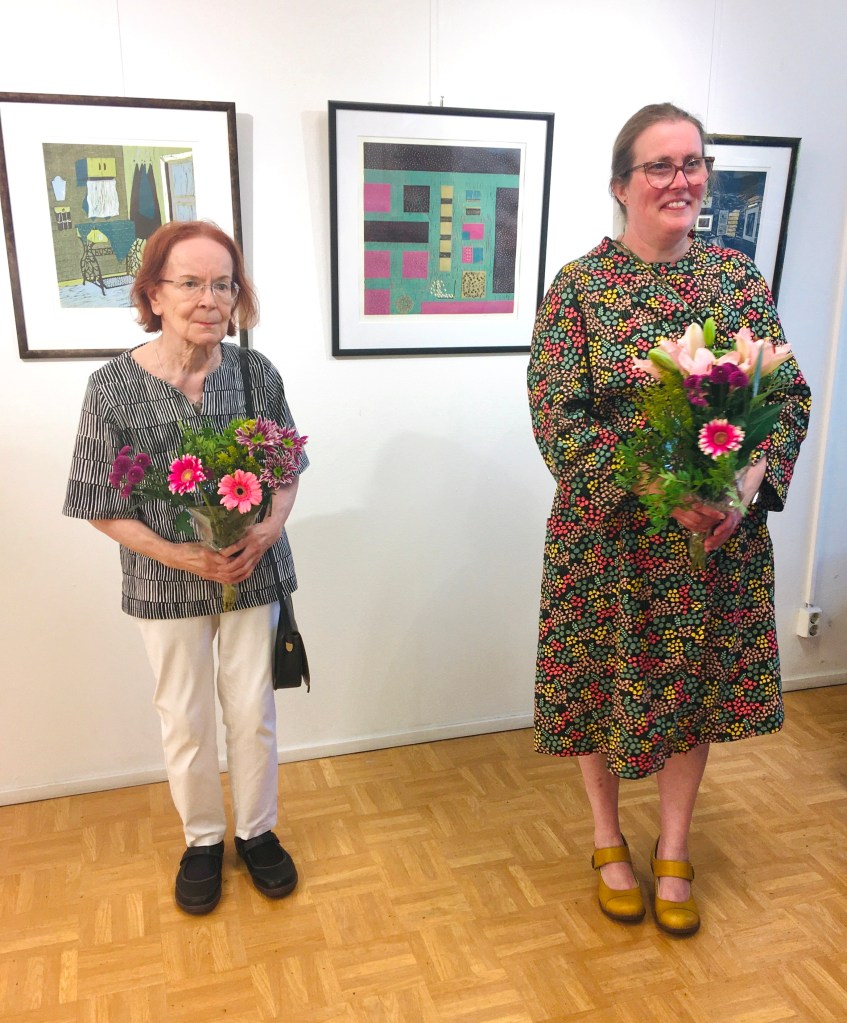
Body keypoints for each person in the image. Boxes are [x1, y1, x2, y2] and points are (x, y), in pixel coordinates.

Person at [527, 103, 811, 936]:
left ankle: (675, 845)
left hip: (713, 540)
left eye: (692, 162)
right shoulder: (578, 288)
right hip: (610, 540)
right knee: (596, 686)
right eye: (659, 165)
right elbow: (556, 416)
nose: (680, 179)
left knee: (692, 691)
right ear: (620, 185)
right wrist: (660, 488)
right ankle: (607, 837)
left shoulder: (736, 281)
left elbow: (786, 396)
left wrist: (747, 483)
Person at [63, 220, 308, 915]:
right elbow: (98, 502)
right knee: (185, 715)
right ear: (154, 294)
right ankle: (202, 840)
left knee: (252, 710)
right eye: (192, 283)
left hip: (251, 571)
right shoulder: (113, 386)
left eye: (223, 284)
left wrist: (268, 528)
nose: (210, 299)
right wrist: (182, 554)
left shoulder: (256, 374)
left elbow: (287, 468)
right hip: (163, 581)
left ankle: (256, 831)